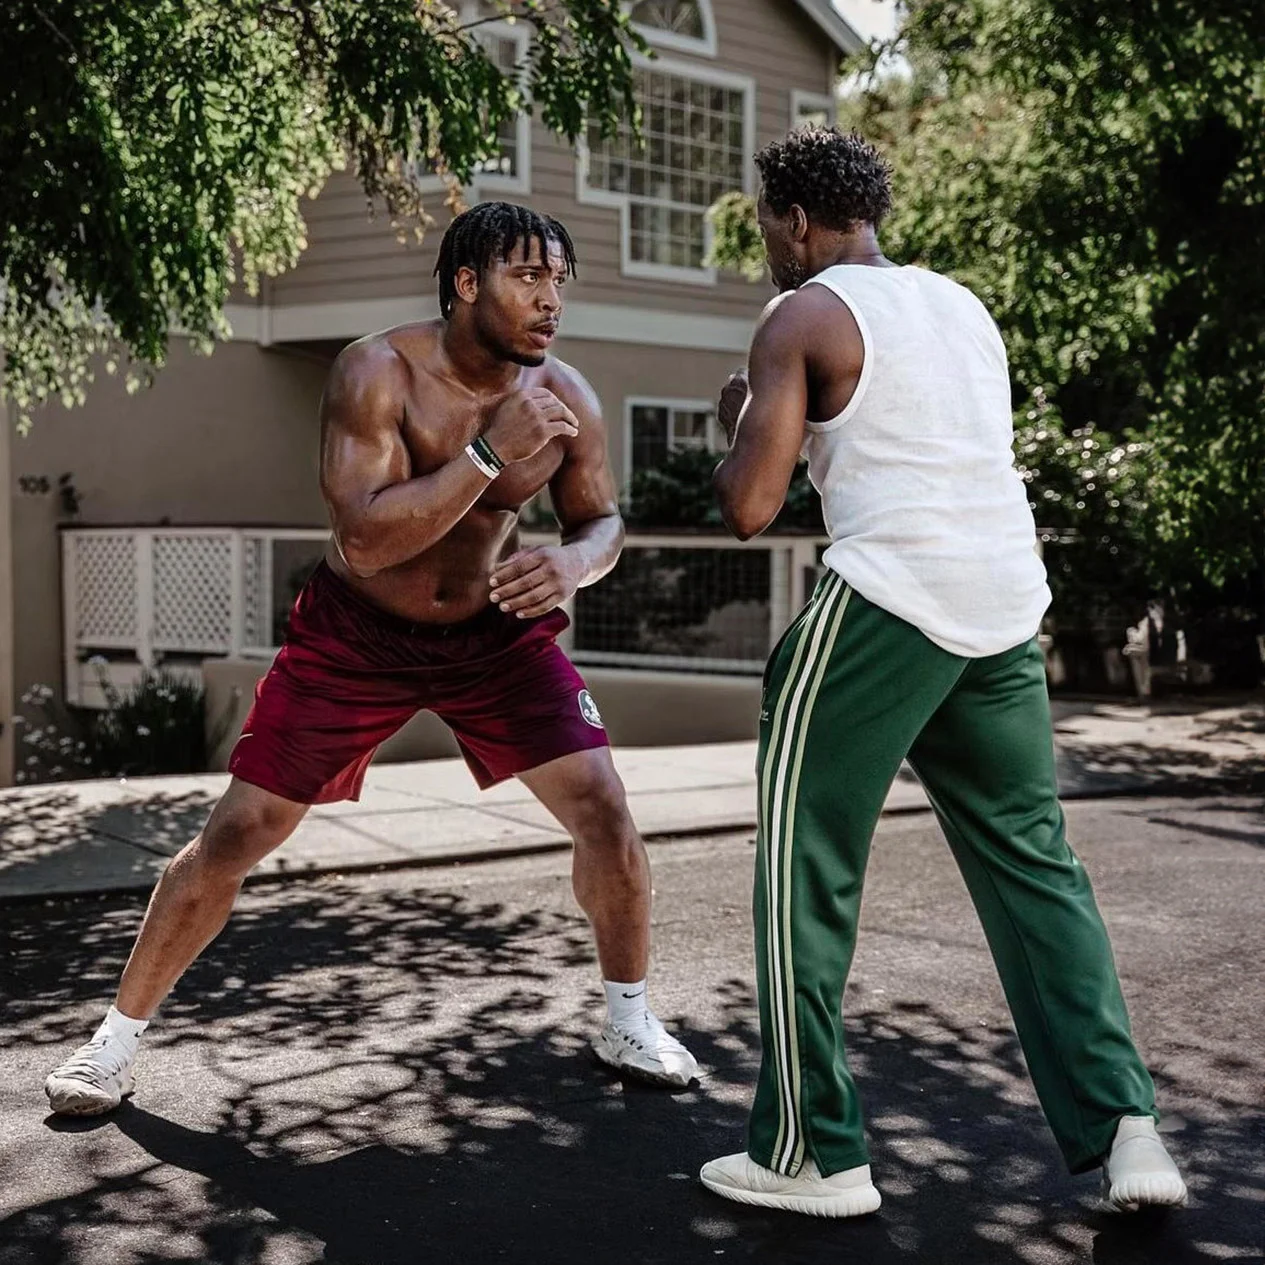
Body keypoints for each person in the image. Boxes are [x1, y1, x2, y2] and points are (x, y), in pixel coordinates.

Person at [45, 201, 698, 1116]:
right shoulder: (376, 369)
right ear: (466, 283)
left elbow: (600, 520)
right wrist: (484, 454)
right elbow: (362, 542)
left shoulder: (567, 398)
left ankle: (627, 1017)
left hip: (491, 634)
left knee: (604, 807)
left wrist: (576, 561)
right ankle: (112, 1044)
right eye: (528, 278)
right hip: (357, 633)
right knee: (238, 832)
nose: (551, 300)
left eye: (559, 281)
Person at [698, 128, 1186, 1217]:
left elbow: (746, 505)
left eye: (767, 229)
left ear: (792, 220)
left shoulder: (800, 314)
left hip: (884, 602)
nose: (769, 249)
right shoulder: (961, 305)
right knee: (1034, 866)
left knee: (802, 867)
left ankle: (807, 1150)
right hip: (1003, 606)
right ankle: (1125, 1129)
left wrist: (738, 412)